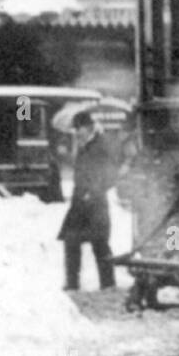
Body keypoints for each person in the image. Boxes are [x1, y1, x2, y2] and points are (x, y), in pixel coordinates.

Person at [58, 110, 117, 291]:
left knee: (100, 244)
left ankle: (108, 284)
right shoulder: (84, 146)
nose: (77, 132)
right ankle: (72, 283)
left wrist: (94, 191)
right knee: (71, 241)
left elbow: (110, 175)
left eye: (79, 128)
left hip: (96, 203)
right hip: (79, 202)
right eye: (75, 129)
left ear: (89, 127)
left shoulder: (101, 146)